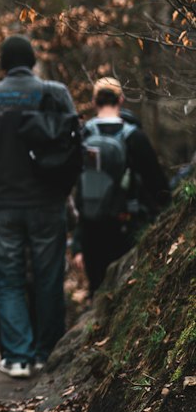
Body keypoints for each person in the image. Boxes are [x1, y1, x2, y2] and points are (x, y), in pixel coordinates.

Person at [0, 34, 76, 379]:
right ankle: (46, 353)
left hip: (5, 204)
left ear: (3, 64)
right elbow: (74, 145)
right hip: (48, 202)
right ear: (32, 61)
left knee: (10, 281)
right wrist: (63, 189)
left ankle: (16, 357)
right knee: (48, 278)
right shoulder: (56, 93)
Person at [71, 75, 170, 295]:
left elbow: (77, 184)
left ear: (95, 101)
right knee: (124, 290)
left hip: (90, 225)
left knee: (97, 292)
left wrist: (77, 241)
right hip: (125, 224)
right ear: (121, 100)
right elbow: (158, 185)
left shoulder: (83, 135)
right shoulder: (134, 137)